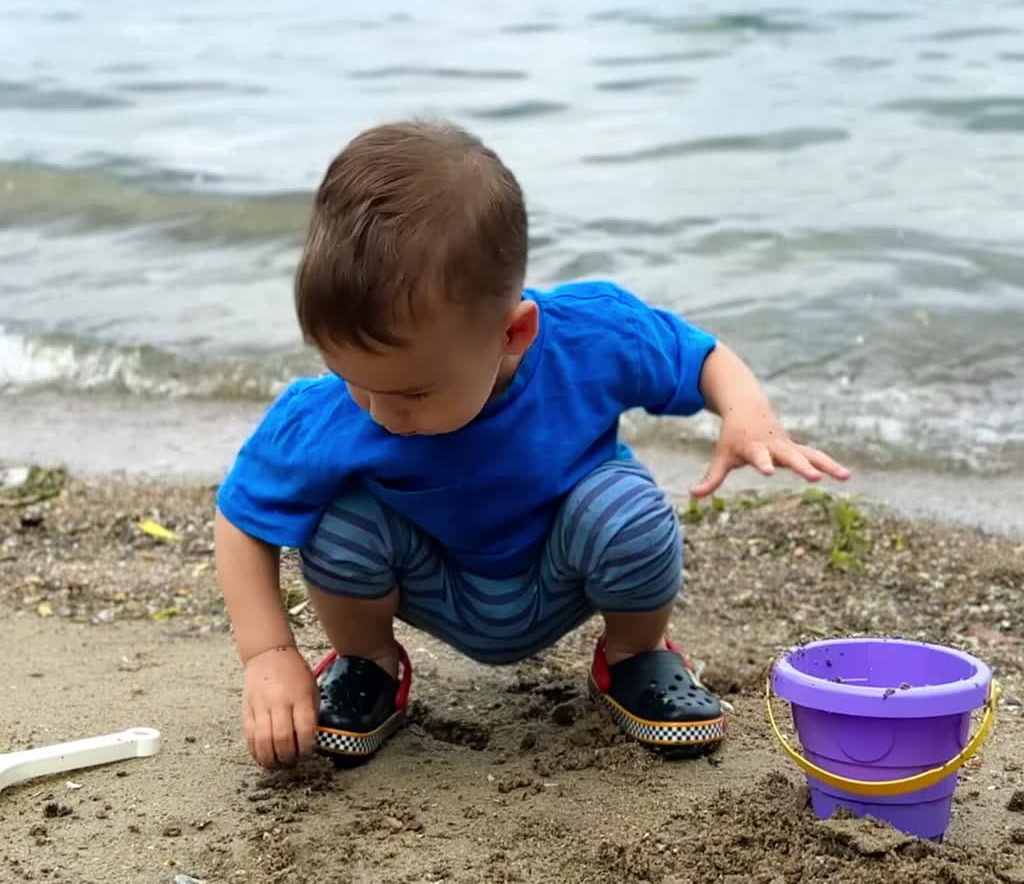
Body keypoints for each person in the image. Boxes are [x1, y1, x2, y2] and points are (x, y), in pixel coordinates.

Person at [215, 120, 849, 770]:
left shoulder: (591, 335)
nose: (379, 413)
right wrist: (268, 656)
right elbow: (242, 517)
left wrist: (748, 415)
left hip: (561, 568)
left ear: (513, 334)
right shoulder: (331, 412)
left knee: (627, 511)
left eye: (410, 394)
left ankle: (633, 655)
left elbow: (700, 357)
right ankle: (368, 665)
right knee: (340, 524)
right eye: (352, 380)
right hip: (433, 579)